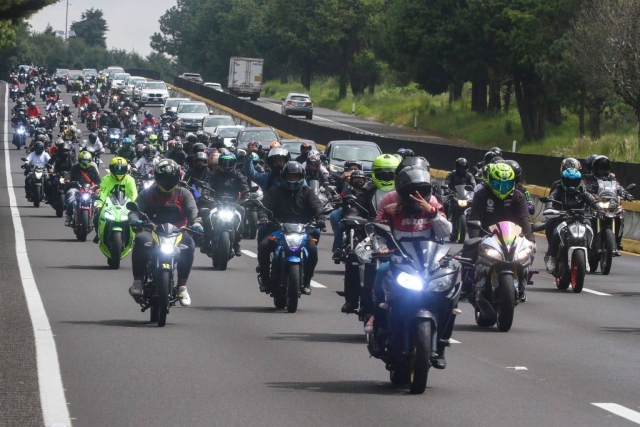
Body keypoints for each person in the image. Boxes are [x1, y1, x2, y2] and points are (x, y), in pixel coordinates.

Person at [366, 166, 452, 368]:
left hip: (428, 259)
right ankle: (375, 318)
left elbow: (446, 232)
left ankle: (441, 343)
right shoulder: (389, 201)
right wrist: (382, 248)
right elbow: (378, 231)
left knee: (450, 284)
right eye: (412, 192)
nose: (417, 196)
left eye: (421, 191)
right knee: (380, 271)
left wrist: (431, 213)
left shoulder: (432, 203)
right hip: (399, 256)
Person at [128, 159, 203, 306]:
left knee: (189, 244)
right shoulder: (147, 192)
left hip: (178, 233)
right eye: (163, 179)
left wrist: (196, 223)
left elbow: (193, 211)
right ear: (156, 177)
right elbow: (135, 210)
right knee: (140, 240)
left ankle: (182, 287)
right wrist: (134, 219)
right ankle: (137, 281)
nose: (167, 182)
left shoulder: (185, 193)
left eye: (171, 179)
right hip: (152, 231)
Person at [257, 161, 326, 295]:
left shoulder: (308, 192)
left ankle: (307, 281)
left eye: (295, 177)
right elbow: (264, 206)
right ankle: (265, 279)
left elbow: (317, 206)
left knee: (312, 249)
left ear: (301, 177)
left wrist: (321, 219)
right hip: (279, 228)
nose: (292, 180)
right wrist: (263, 217)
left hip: (303, 229)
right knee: (264, 245)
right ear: (284, 176)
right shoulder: (276, 191)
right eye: (290, 177)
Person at [543, 168, 597, 272]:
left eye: (574, 181)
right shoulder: (558, 190)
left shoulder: (582, 191)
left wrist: (598, 207)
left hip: (580, 218)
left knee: (590, 225)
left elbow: (591, 199)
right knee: (555, 233)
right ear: (563, 181)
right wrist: (549, 208)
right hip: (563, 219)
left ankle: (589, 250)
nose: (571, 184)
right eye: (568, 181)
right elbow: (551, 199)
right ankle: (552, 257)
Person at [201, 153, 250, 256]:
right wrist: (206, 195)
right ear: (220, 162)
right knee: (204, 212)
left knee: (242, 210)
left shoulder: (238, 175)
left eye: (229, 162)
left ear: (234, 163)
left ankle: (236, 242)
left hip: (233, 203)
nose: (226, 165)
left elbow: (244, 187)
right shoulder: (213, 174)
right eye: (224, 162)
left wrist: (246, 196)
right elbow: (207, 186)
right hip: (216, 202)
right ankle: (206, 238)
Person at [583, 155, 633, 253]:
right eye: (600, 168)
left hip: (609, 203)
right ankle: (587, 241)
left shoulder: (611, 177)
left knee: (620, 216)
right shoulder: (588, 177)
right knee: (587, 220)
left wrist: (626, 194)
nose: (602, 170)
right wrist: (588, 193)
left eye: (604, 168)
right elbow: (583, 187)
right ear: (595, 168)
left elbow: (618, 187)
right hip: (594, 205)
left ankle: (617, 242)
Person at [93, 157, 138, 243]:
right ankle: (98, 234)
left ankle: (134, 236)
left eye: (122, 169)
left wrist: (135, 205)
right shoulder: (106, 179)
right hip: (110, 204)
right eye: (116, 169)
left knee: (137, 219)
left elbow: (133, 194)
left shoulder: (130, 179)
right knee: (97, 216)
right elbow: (103, 193)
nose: (119, 172)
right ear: (111, 169)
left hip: (126, 204)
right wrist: (99, 204)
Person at [64, 150, 102, 227]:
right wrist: (67, 179)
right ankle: (69, 216)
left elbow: (99, 181)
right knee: (71, 197)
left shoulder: (92, 168)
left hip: (90, 189)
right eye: (83, 161)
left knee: (99, 203)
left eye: (86, 161)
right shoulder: (75, 167)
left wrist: (95, 186)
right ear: (79, 160)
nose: (85, 163)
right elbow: (69, 175)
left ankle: (96, 220)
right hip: (77, 188)